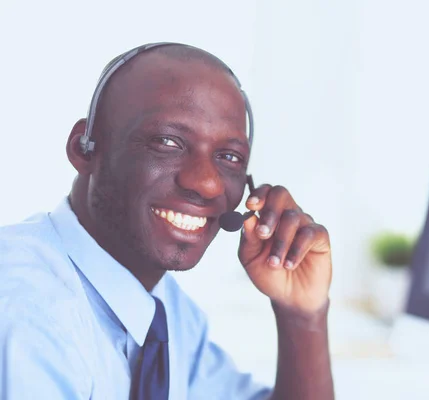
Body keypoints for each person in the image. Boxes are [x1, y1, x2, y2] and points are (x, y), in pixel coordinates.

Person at [0, 42, 334, 400]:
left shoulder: (169, 312)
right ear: (85, 148)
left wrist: (302, 315)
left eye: (229, 156)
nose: (207, 183)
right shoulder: (25, 306)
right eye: (167, 141)